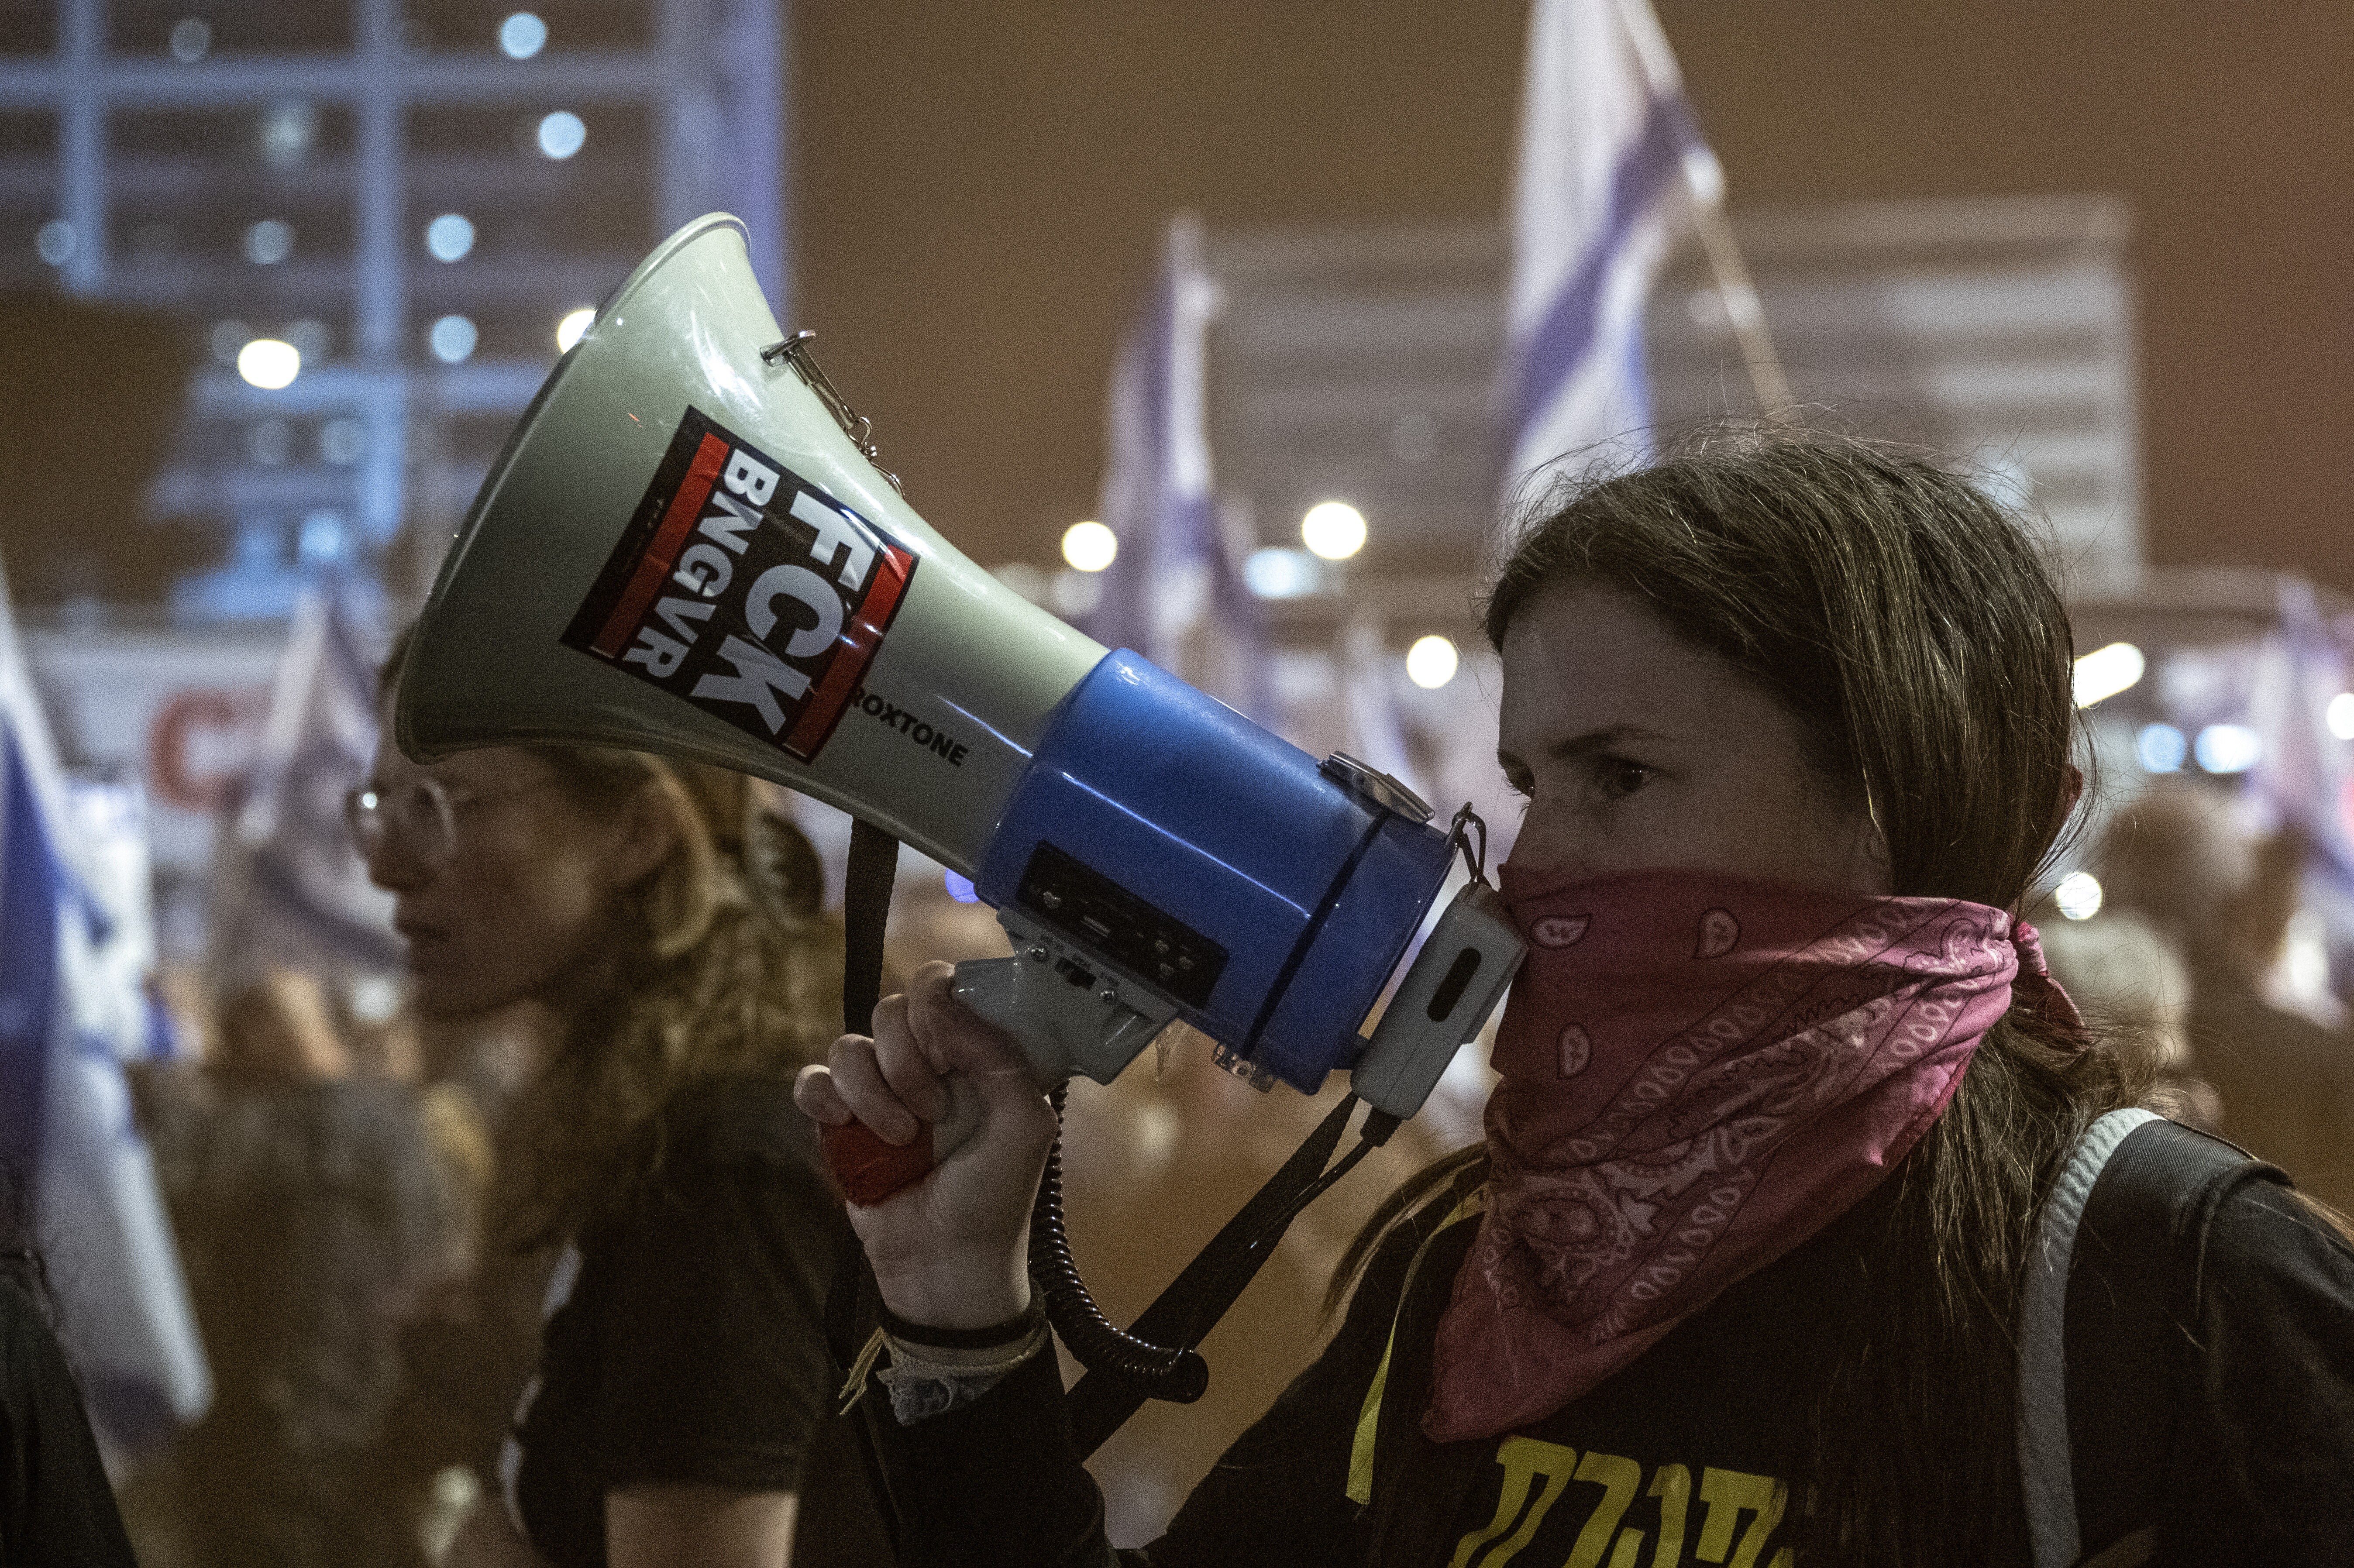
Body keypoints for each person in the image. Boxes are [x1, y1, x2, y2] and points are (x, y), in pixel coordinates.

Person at [798, 435, 2354, 1566]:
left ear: (1906, 796)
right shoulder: (1470, 1264)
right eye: (1533, 782)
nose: (1535, 865)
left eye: (1622, 776)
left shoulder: (2179, 1289)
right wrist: (957, 1315)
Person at [354, 638, 883, 1568]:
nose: (388, 864)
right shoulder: (649, 1122)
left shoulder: (717, 1167)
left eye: (443, 802)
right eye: (381, 804)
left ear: (639, 831)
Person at [149, 966, 462, 1568]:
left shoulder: (288, 1126)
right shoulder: (403, 1127)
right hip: (372, 1441)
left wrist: (181, 1054)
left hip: (277, 1448)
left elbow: (175, 1177)